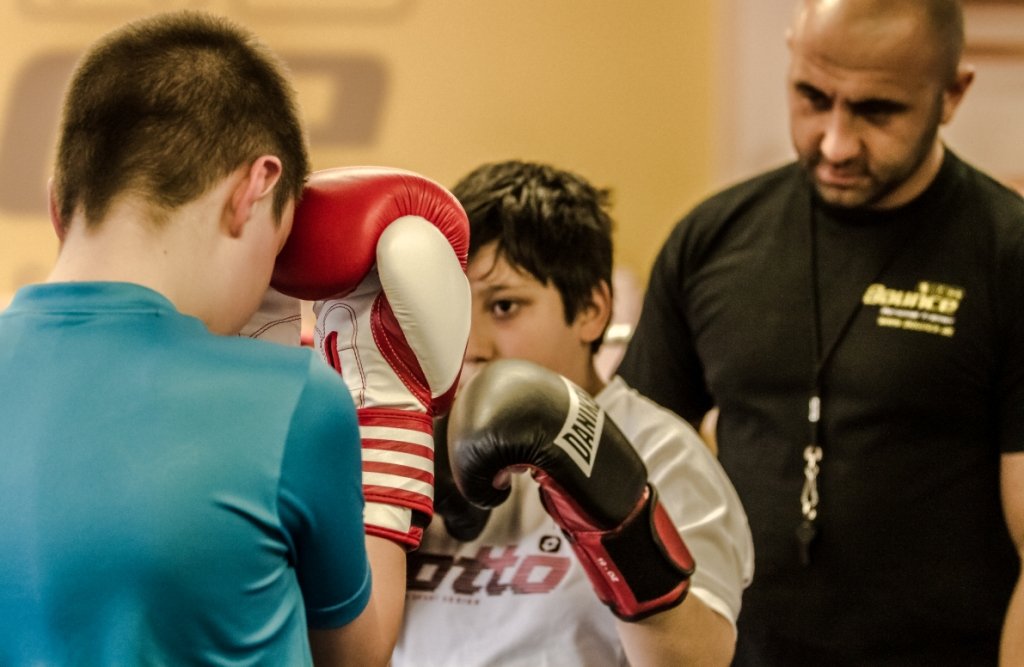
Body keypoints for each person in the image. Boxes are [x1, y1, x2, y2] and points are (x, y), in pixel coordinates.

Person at [0, 12, 446, 665]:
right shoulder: (292, 399)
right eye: (279, 243)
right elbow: (357, 652)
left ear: (59, 205)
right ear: (254, 188)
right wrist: (390, 407)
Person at [616, 0, 1024, 664]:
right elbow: (631, 473)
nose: (834, 142)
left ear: (953, 94)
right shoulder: (714, 239)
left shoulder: (1007, 253)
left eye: (877, 110)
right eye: (813, 96)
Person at [389, 159, 754, 667]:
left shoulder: (662, 453)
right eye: (454, 306)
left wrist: (620, 533)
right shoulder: (416, 441)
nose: (470, 344)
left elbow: (699, 660)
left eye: (504, 306)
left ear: (591, 309)